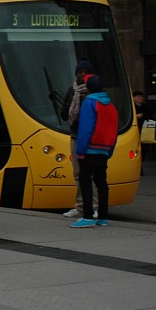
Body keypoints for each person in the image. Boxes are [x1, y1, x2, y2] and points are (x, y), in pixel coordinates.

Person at [71, 74, 118, 228]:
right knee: (101, 182)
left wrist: (80, 151)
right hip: (104, 150)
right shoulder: (111, 106)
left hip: (90, 149)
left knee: (85, 181)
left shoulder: (89, 103)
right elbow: (114, 131)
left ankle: (87, 216)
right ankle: (103, 217)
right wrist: (109, 151)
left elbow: (85, 129)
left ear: (89, 88)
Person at [61, 60, 95, 218]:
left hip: (92, 138)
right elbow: (63, 113)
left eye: (85, 71)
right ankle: (80, 206)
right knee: (78, 173)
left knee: (91, 174)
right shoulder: (71, 91)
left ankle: (94, 206)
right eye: (79, 71)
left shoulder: (94, 91)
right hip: (76, 135)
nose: (82, 75)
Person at [133, 90, 153, 174]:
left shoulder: (146, 107)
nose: (140, 98)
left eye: (141, 96)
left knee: (145, 149)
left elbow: (150, 117)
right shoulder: (131, 107)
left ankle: (140, 164)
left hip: (145, 130)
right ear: (133, 98)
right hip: (136, 130)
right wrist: (135, 117)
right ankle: (138, 167)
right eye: (138, 96)